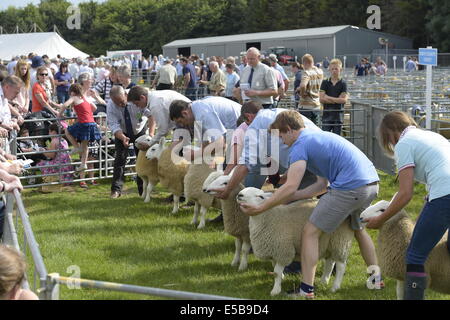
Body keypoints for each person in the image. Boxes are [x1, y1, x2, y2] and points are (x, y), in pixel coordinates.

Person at [239, 110, 380, 299]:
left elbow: (290, 186)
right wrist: (291, 196)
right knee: (359, 230)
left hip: (350, 187)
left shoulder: (299, 146)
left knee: (309, 232)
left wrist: (262, 207)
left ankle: (306, 289)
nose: (281, 141)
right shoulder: (317, 137)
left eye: (281, 135)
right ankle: (376, 280)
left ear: (289, 130)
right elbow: (321, 185)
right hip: (371, 184)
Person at [365, 111, 450, 300]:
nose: (391, 144)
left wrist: (381, 219)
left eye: (388, 139)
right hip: (443, 191)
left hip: (445, 194)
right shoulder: (430, 135)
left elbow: (405, 193)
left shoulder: (404, 144)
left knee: (415, 257)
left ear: (391, 133)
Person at [107, 86, 149, 199]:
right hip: (122, 132)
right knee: (119, 160)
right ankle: (116, 190)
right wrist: (122, 137)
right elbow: (113, 124)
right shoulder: (110, 105)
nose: (120, 105)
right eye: (117, 103)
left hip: (139, 131)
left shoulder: (134, 98)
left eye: (121, 102)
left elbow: (146, 112)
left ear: (126, 95)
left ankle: (143, 190)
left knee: (141, 160)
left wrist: (141, 120)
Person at [58, 84, 101, 172]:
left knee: (67, 131)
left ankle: (76, 147)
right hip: (92, 123)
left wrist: (60, 115)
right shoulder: (85, 98)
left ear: (72, 92)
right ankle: (83, 164)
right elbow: (95, 107)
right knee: (85, 145)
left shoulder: (74, 98)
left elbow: (65, 105)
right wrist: (85, 112)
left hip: (84, 123)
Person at [320, 58, 348, 135]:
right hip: (326, 115)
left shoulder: (343, 83)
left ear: (340, 70)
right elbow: (321, 99)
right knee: (325, 138)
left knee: (337, 139)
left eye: (336, 69)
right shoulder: (325, 82)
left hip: (338, 116)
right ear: (329, 69)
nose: (334, 71)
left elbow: (344, 100)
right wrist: (337, 99)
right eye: (332, 69)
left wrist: (328, 97)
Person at [297, 54, 323, 125]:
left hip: (306, 105)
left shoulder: (307, 73)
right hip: (316, 104)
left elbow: (303, 85)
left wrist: (302, 94)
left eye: (303, 64)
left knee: (306, 128)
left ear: (305, 63)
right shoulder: (320, 72)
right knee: (316, 127)